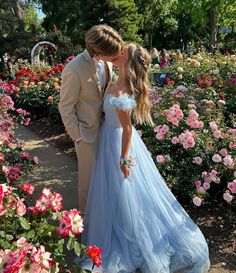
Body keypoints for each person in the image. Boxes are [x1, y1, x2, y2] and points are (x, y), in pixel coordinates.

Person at [80, 43, 211, 273]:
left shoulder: (123, 90)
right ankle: (121, 229)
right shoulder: (114, 78)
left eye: (122, 52)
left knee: (128, 193)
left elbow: (127, 129)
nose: (118, 52)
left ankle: (134, 238)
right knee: (116, 194)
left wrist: (124, 158)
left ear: (127, 61)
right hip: (108, 140)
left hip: (120, 145)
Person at [58, 24, 124, 214]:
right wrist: (77, 135)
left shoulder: (108, 62)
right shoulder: (74, 69)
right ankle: (86, 222)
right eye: (110, 53)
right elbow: (65, 106)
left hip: (108, 129)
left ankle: (105, 216)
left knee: (106, 177)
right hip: (86, 134)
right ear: (97, 50)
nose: (113, 57)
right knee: (88, 181)